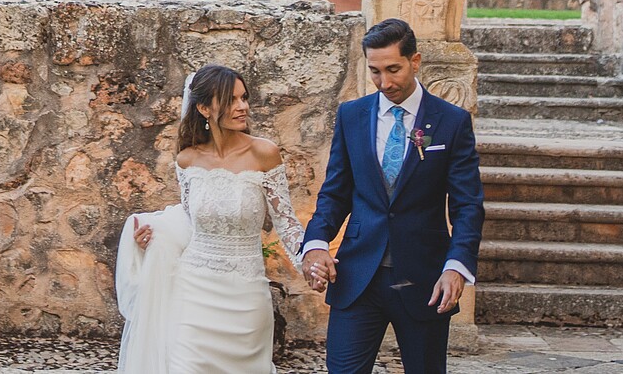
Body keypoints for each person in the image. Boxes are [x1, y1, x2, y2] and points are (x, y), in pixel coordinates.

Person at [299, 18, 484, 374]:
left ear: (415, 61)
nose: (384, 82)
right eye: (375, 71)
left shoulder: (452, 121)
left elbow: (467, 206)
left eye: (393, 69)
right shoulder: (351, 115)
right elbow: (335, 194)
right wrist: (316, 243)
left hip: (425, 279)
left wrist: (456, 267)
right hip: (357, 277)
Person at [115, 65, 306, 374]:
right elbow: (191, 221)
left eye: (244, 98)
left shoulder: (264, 153)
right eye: (231, 100)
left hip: (246, 295)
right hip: (193, 291)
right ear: (204, 108)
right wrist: (156, 236)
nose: (242, 106)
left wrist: (309, 259)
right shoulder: (187, 160)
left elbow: (286, 223)